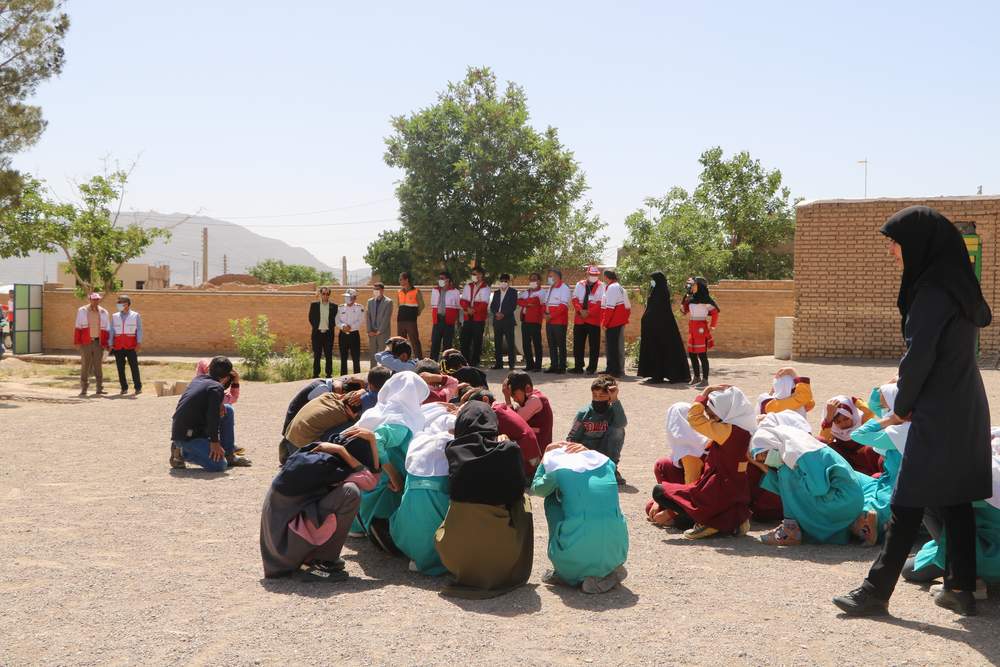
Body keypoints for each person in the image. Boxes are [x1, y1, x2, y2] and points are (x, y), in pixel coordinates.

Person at [834, 205, 993, 618]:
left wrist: (901, 407)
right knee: (956, 498)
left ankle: (875, 592)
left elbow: (920, 355)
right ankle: (960, 588)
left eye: (896, 243)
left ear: (919, 245)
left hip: (938, 410)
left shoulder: (932, 292)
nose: (892, 252)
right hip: (964, 404)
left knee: (906, 501)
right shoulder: (956, 286)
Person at [434, 401, 533, 598]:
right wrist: (507, 445)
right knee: (524, 501)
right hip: (498, 559)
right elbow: (515, 492)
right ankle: (516, 569)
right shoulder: (508, 450)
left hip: (454, 556)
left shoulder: (453, 449)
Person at [260, 441, 380, 583]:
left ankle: (312, 559)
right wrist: (344, 452)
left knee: (342, 492)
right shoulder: (326, 466)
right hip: (285, 550)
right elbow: (370, 482)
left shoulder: (316, 455)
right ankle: (321, 563)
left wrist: (368, 440)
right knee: (350, 492)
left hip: (277, 551)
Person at [902, 430, 1000, 600]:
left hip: (987, 553)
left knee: (924, 495)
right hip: (981, 542)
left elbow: (864, 436)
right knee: (909, 568)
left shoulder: (981, 469)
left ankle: (968, 582)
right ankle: (962, 572)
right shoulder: (986, 454)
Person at [751, 414, 876, 546]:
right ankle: (862, 525)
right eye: (762, 460)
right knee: (786, 474)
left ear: (775, 444)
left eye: (765, 454)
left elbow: (818, 488)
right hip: (846, 500)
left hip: (843, 499)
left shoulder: (802, 454)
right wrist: (762, 466)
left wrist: (791, 480)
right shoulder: (798, 450)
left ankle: (790, 530)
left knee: (786, 473)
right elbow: (786, 490)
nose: (766, 460)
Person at [650, 385, 754, 539]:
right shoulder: (743, 429)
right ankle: (735, 522)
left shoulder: (727, 431)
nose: (709, 417)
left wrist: (704, 394)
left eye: (712, 413)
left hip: (716, 488)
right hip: (734, 488)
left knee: (660, 492)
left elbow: (694, 419)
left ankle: (708, 523)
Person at [342, 371, 429, 547]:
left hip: (363, 473)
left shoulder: (381, 410)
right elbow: (377, 440)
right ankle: (373, 527)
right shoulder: (401, 419)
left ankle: (358, 525)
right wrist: (394, 474)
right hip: (384, 478)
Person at [531, 442, 629, 594]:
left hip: (573, 562)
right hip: (617, 553)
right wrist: (588, 451)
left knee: (552, 499)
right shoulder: (606, 463)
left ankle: (568, 573)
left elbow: (537, 489)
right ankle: (607, 571)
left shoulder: (558, 470)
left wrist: (544, 459)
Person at [389, 402, 456, 575]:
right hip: (439, 530)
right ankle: (434, 559)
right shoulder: (452, 444)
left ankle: (418, 556)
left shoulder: (417, 441)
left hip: (407, 540)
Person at [170, 356, 251, 471]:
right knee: (220, 465)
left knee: (228, 410)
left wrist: (219, 403)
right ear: (226, 377)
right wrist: (215, 443)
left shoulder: (198, 379)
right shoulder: (216, 388)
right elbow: (212, 417)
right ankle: (181, 451)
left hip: (193, 429)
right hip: (187, 436)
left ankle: (229, 454)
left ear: (209, 369)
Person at [646, 402, 709, 527]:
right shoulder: (690, 443)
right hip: (694, 493)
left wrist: (670, 512)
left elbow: (693, 492)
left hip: (703, 498)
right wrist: (659, 502)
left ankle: (681, 518)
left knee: (660, 509)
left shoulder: (692, 454)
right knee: (662, 464)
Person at [462, 387, 542, 478]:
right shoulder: (500, 407)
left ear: (485, 400)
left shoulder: (493, 412)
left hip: (525, 459)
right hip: (531, 453)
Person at [566, 375, 628, 486]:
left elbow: (622, 423)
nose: (598, 399)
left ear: (609, 397)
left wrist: (615, 399)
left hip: (605, 454)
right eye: (595, 395)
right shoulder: (584, 413)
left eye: (602, 396)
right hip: (586, 453)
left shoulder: (613, 411)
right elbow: (572, 438)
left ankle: (611, 469)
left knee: (618, 430)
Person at [638, 272, 690, 384]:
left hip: (659, 328)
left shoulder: (660, 292)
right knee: (657, 349)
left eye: (653, 279)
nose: (651, 282)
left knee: (658, 349)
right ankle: (657, 375)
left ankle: (658, 375)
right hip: (658, 327)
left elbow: (656, 310)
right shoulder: (657, 290)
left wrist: (647, 318)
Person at [819, 395, 881, 476]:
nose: (843, 423)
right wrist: (829, 417)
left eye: (846, 419)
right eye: (838, 422)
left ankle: (876, 473)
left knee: (870, 448)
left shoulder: (860, 422)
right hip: (847, 460)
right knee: (828, 447)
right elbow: (823, 439)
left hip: (865, 459)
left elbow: (869, 411)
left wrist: (857, 402)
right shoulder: (834, 430)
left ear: (851, 414)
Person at [681, 277, 719, 388]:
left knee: (702, 355)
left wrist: (712, 326)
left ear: (700, 286)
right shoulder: (691, 298)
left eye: (694, 285)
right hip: (692, 328)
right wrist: (685, 299)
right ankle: (696, 377)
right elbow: (684, 311)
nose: (691, 287)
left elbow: (715, 312)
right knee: (692, 354)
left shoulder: (705, 300)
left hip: (701, 329)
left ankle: (705, 380)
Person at [502, 370, 553, 450]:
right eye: (512, 396)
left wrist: (507, 398)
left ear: (527, 388)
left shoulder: (535, 400)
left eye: (514, 395)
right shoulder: (531, 397)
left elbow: (514, 421)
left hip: (538, 448)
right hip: (534, 444)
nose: (514, 399)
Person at [73, 292, 110, 397]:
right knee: (85, 365)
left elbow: (107, 328)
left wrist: (107, 343)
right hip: (86, 342)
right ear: (90, 300)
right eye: (93, 299)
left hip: (99, 342)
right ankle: (84, 388)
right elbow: (78, 326)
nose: (95, 301)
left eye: (97, 299)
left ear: (99, 300)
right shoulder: (82, 311)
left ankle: (99, 388)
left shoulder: (104, 312)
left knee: (98, 366)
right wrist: (77, 342)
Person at [570, 266, 605, 375]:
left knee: (594, 345)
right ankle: (578, 366)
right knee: (578, 344)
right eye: (591, 274)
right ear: (587, 274)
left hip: (593, 319)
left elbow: (601, 302)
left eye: (595, 275)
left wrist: (589, 312)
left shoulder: (601, 286)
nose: (593, 276)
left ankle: (592, 368)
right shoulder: (579, 284)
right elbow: (574, 299)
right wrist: (580, 310)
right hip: (579, 318)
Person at [108, 294, 143, 395]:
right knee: (120, 368)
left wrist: (139, 342)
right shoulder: (115, 316)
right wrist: (110, 343)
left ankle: (138, 387)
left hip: (131, 345)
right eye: (118, 303)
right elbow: (112, 330)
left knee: (134, 367)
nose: (119, 304)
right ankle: (124, 388)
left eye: (121, 302)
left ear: (127, 304)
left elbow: (139, 330)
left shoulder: (135, 315)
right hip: (118, 346)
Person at [600, 270, 631, 378]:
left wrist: (605, 323)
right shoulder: (619, 287)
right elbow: (628, 307)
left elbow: (610, 307)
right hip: (617, 321)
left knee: (612, 347)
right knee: (612, 346)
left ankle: (614, 370)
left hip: (613, 322)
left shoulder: (612, 287)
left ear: (606, 277)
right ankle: (611, 369)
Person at [459, 266, 490, 367]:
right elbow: (462, 300)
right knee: (464, 340)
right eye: (472, 274)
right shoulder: (468, 286)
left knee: (477, 340)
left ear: (481, 275)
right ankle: (465, 361)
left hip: (478, 318)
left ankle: (475, 361)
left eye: (475, 274)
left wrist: (474, 310)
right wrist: (467, 309)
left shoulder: (486, 288)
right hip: (468, 317)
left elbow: (484, 304)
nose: (473, 276)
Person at [542, 269, 571, 374]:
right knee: (552, 344)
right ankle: (553, 365)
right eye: (549, 276)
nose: (549, 278)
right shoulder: (550, 288)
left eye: (551, 276)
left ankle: (562, 366)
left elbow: (563, 306)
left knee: (561, 344)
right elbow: (545, 303)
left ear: (557, 277)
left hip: (559, 321)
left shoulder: (564, 288)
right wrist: (544, 314)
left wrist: (551, 316)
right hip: (549, 321)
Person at [430, 271, 461, 361]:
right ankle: (433, 362)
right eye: (439, 278)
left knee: (447, 344)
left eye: (442, 278)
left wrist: (456, 320)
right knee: (435, 342)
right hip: (437, 319)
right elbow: (433, 305)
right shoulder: (435, 290)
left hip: (448, 321)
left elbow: (457, 307)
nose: (440, 280)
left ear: (448, 280)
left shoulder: (455, 291)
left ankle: (446, 363)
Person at [490, 273, 519, 370]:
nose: (503, 283)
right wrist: (496, 313)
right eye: (501, 281)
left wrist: (503, 314)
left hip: (508, 320)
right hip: (497, 321)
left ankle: (511, 364)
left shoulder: (513, 292)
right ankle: (499, 363)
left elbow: (513, 306)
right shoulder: (496, 293)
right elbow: (492, 306)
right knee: (498, 343)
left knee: (510, 342)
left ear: (509, 282)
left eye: (505, 281)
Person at [517, 272, 545, 371]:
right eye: (531, 279)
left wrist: (525, 302)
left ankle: (538, 366)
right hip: (525, 319)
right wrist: (527, 303)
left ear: (539, 281)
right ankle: (529, 364)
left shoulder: (542, 292)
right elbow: (518, 301)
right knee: (526, 344)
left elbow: (536, 302)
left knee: (537, 344)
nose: (532, 281)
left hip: (535, 320)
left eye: (535, 279)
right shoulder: (526, 292)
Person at [308, 286, 338, 379]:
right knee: (317, 355)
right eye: (324, 293)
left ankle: (329, 374)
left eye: (327, 294)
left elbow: (336, 320)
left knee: (328, 355)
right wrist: (317, 327)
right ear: (321, 294)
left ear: (329, 295)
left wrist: (330, 327)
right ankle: (316, 374)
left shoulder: (334, 306)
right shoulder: (314, 305)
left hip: (328, 334)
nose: (325, 295)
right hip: (317, 334)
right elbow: (310, 318)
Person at [396, 272, 424, 359]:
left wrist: (415, 314)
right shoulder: (399, 292)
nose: (399, 281)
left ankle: (419, 360)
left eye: (401, 279)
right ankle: (402, 360)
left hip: (411, 321)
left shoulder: (416, 291)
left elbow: (422, 305)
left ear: (406, 280)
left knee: (414, 341)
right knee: (401, 342)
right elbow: (399, 305)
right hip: (400, 320)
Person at [336, 288, 364, 374]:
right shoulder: (340, 307)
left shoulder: (360, 307)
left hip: (354, 335)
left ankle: (357, 377)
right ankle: (343, 377)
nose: (346, 298)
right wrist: (343, 326)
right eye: (346, 297)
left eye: (349, 297)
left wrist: (350, 327)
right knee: (343, 358)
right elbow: (337, 320)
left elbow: (360, 320)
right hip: (343, 334)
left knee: (356, 358)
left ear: (354, 298)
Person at [366, 283, 393, 366]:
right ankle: (373, 371)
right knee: (372, 354)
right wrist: (369, 331)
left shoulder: (388, 302)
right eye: (374, 289)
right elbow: (368, 316)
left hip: (383, 333)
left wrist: (379, 331)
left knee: (383, 354)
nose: (375, 291)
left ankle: (383, 371)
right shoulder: (370, 301)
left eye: (377, 289)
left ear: (382, 290)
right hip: (372, 333)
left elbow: (386, 318)